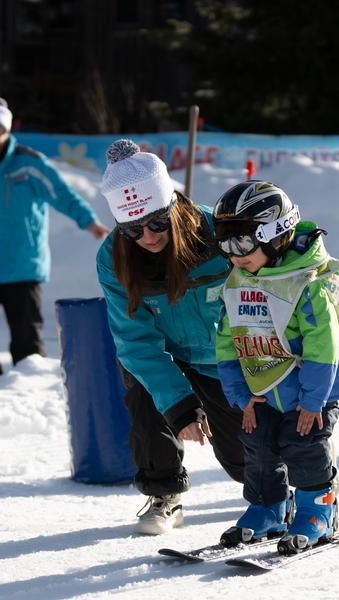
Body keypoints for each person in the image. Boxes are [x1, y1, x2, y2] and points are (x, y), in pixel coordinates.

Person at [96, 139, 245, 535]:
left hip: (222, 354)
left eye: (157, 222)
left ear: (173, 205)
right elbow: (135, 340)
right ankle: (164, 493)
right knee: (144, 391)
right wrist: (179, 406)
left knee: (242, 462)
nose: (147, 235)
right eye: (133, 228)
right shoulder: (114, 258)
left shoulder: (220, 232)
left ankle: (293, 477)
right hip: (165, 355)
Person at [212, 181, 339, 555]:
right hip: (263, 392)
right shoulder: (240, 281)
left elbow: (324, 349)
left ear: (275, 236)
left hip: (311, 393)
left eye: (241, 243)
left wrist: (311, 402)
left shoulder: (307, 284)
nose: (233, 254)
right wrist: (241, 396)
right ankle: (269, 508)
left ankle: (316, 511)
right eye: (224, 243)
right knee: (257, 447)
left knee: (302, 444)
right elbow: (227, 344)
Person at [0, 97, 110, 390]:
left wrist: (89, 221)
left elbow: (62, 193)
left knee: (25, 337)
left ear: (2, 128)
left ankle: (29, 395)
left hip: (20, 263)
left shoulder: (28, 163)